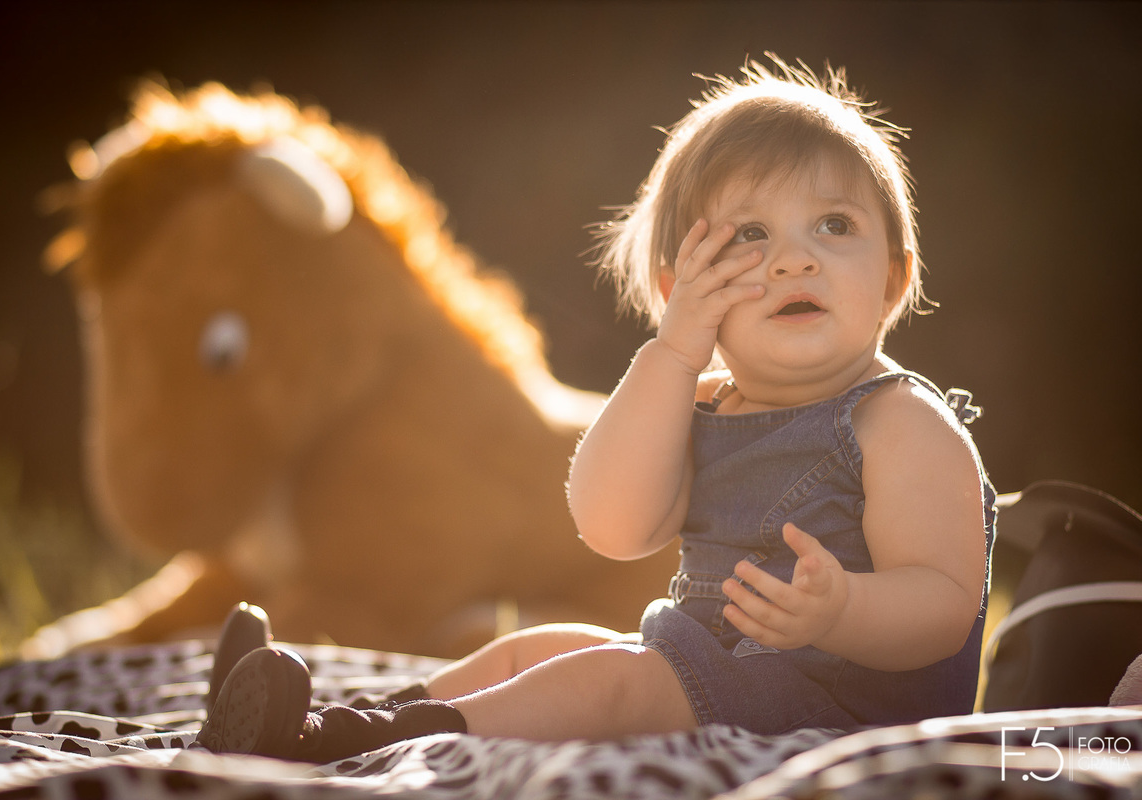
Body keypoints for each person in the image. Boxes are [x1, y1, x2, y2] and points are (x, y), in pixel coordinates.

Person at [194, 56, 996, 763]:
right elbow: (613, 526)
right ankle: (340, 717)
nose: (795, 257)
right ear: (680, 291)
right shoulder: (702, 401)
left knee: (617, 679)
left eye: (835, 225)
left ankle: (369, 738)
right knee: (539, 652)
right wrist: (672, 358)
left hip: (841, 711)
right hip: (709, 668)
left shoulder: (900, 423)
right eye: (750, 234)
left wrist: (843, 608)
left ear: (893, 278)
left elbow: (945, 605)